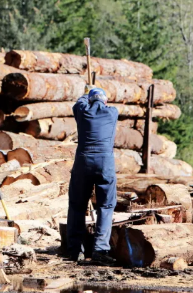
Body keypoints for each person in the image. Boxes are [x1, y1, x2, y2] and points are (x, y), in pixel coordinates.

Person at [67, 86, 118, 264]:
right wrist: (96, 97)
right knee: (106, 206)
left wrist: (86, 93)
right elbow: (102, 103)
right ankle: (100, 250)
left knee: (77, 205)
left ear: (90, 100)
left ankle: (76, 251)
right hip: (105, 164)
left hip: (84, 163)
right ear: (104, 101)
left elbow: (79, 103)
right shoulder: (112, 113)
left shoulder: (82, 112)